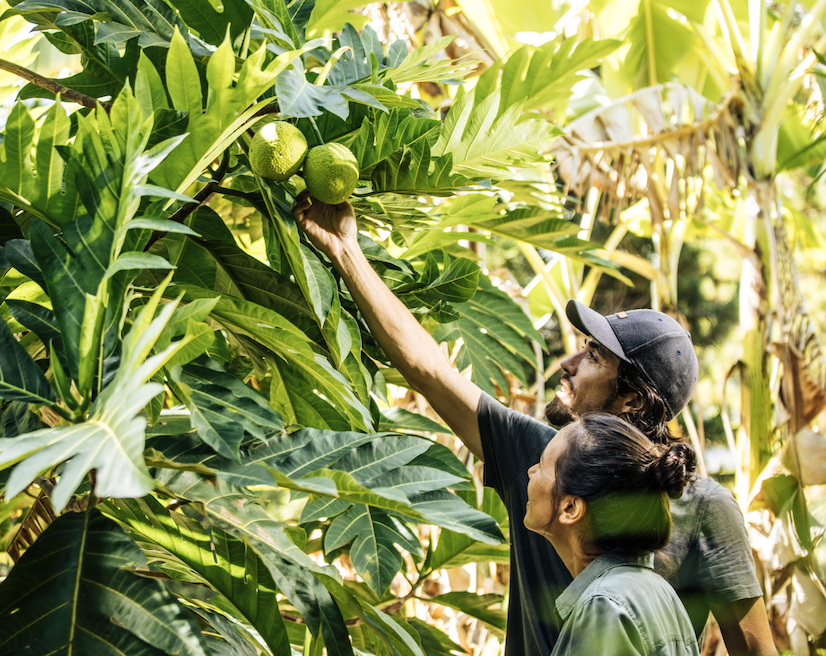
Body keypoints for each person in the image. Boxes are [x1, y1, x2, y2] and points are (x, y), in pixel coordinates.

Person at [292, 192, 777, 656]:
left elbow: (755, 650)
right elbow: (429, 370)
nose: (566, 363)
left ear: (631, 398)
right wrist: (343, 247)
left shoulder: (703, 507)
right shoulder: (543, 455)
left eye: (592, 356)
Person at [526, 412, 700, 655]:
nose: (531, 471)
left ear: (570, 508)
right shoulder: (658, 591)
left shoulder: (603, 606)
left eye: (543, 466)